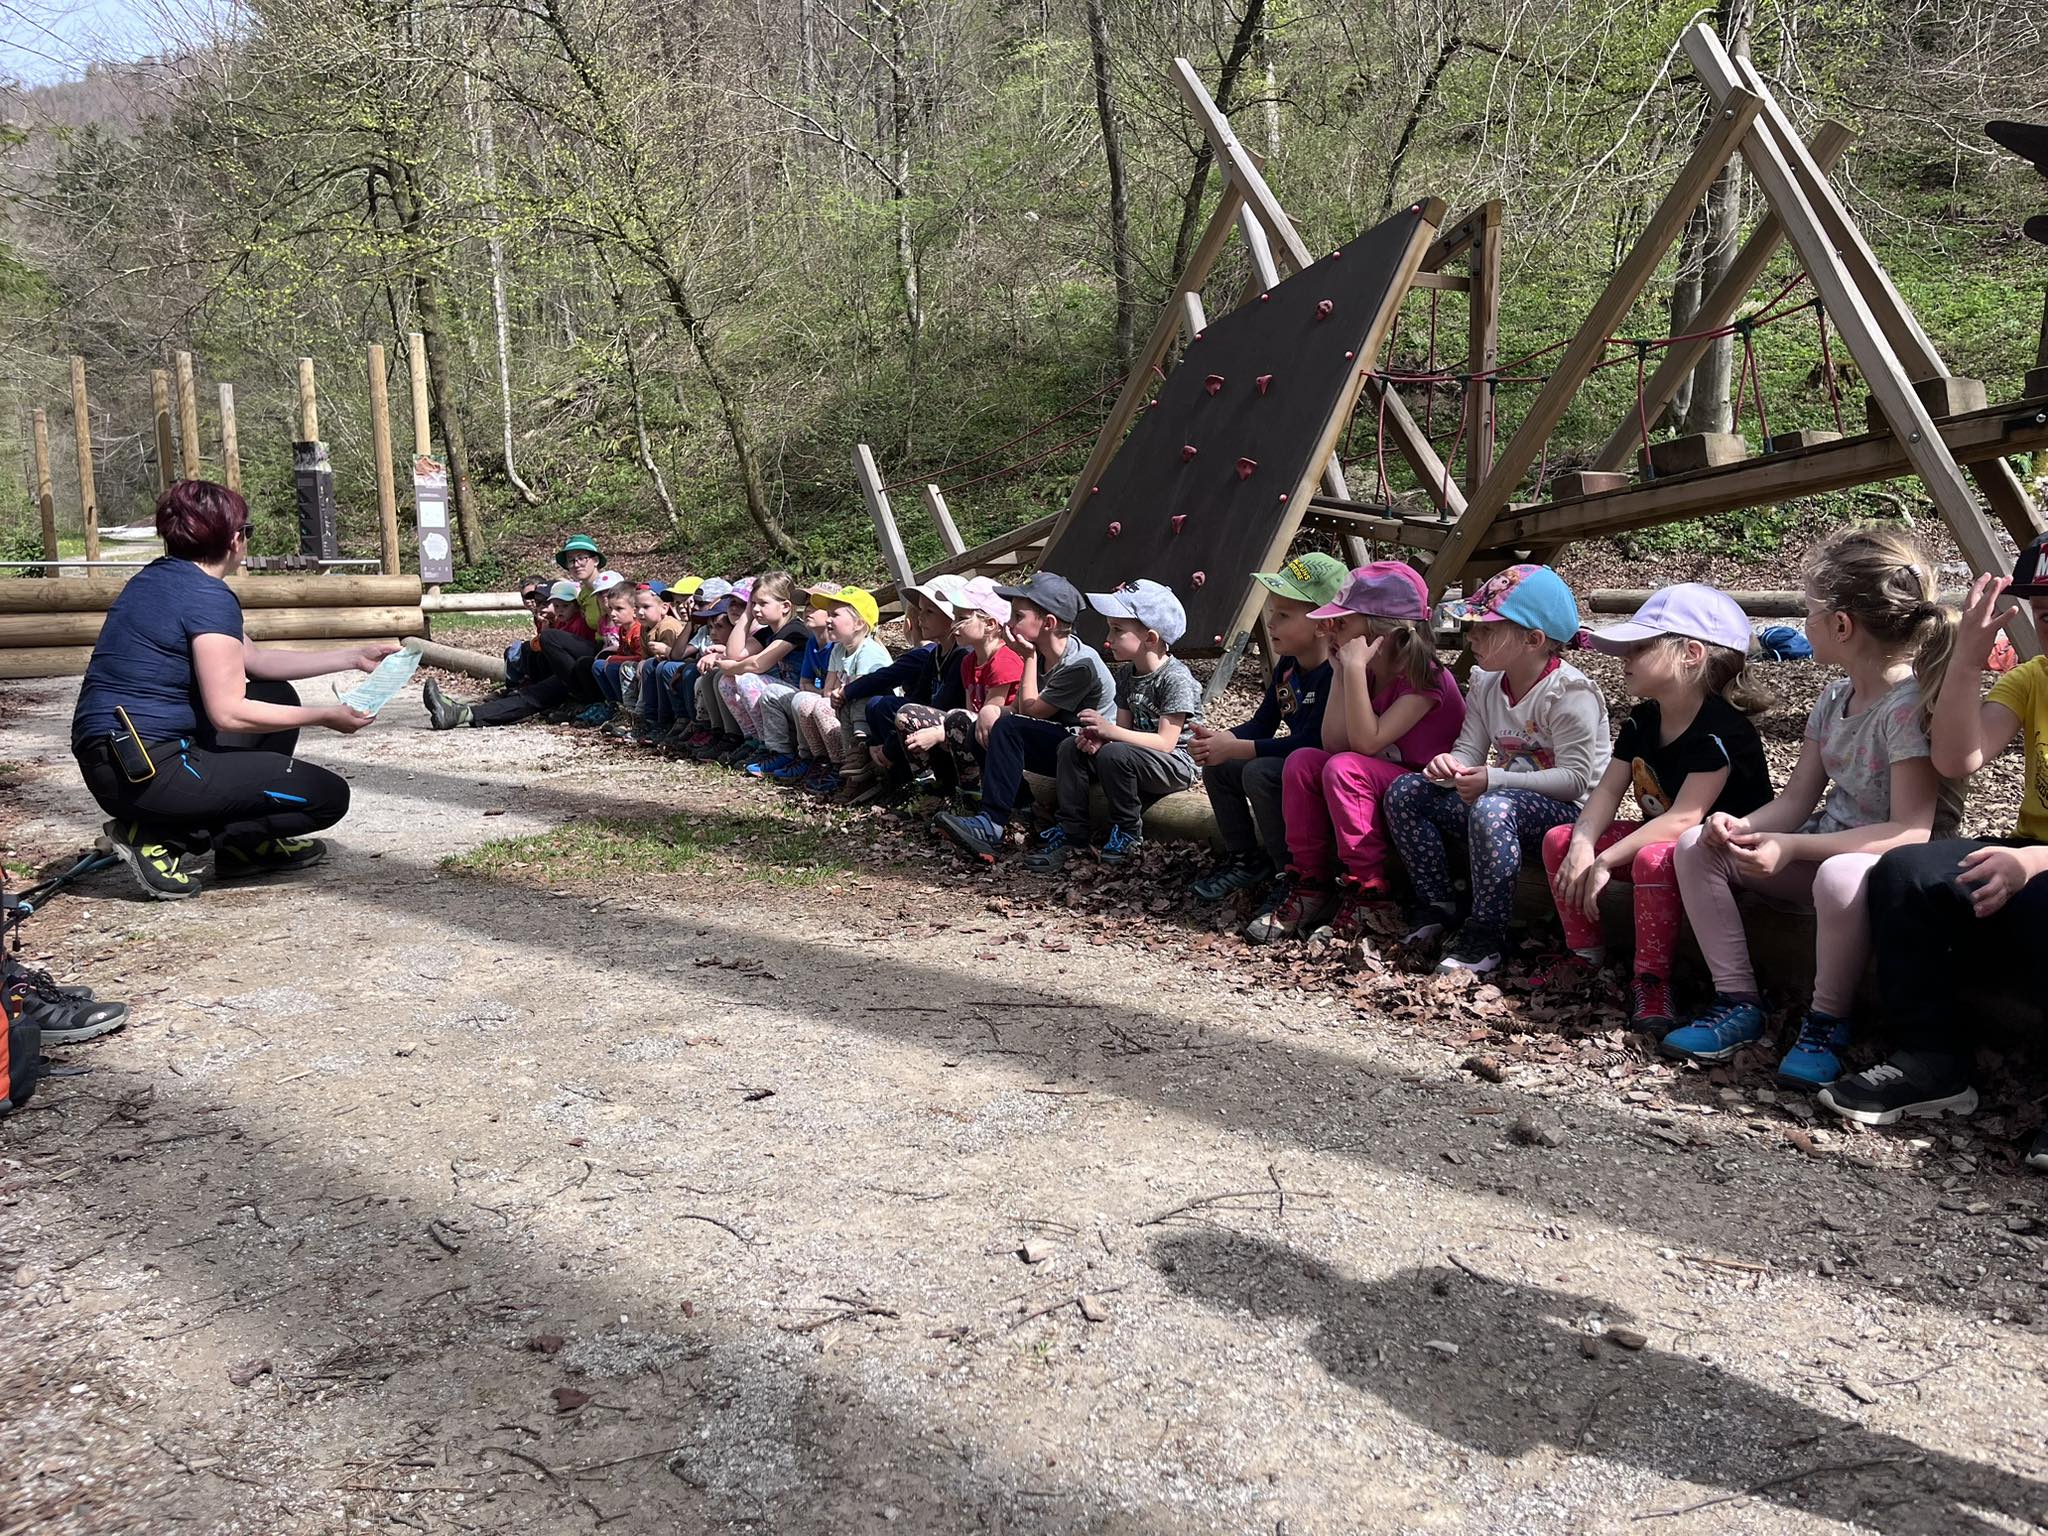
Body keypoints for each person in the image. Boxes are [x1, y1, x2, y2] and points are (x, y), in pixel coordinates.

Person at [1663, 526, 1960, 1087]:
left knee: (1838, 877)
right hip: (1824, 850)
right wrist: (1741, 827)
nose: (1805, 624)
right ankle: (1738, 1001)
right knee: (1696, 845)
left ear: (1841, 625)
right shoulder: (1834, 697)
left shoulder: (1906, 708)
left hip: (1889, 873)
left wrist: (1793, 846)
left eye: (1809, 611)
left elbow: (1909, 832)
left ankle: (1826, 1023)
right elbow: (1798, 799)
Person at [1818, 540, 2048, 1144]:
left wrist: (2031, 861)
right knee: (1907, 871)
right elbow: (1955, 759)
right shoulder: (2033, 678)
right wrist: (1968, 663)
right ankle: (1931, 1061)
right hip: (2030, 852)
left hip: (2037, 860)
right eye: (2043, 610)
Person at [71, 480, 381, 900]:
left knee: (275, 694)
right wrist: (326, 716)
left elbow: (255, 661)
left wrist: (354, 656)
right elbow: (229, 712)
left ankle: (242, 850)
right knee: (327, 797)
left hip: (116, 761)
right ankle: (161, 838)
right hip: (149, 770)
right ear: (235, 539)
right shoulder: (207, 596)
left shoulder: (156, 581)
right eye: (247, 530)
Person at [1539, 584, 1773, 1032]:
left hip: (1717, 857)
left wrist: (1605, 858)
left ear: (1691, 654)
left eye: (1639, 646)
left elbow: (1684, 819)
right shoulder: (1643, 719)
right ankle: (1583, 956)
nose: (1624, 657)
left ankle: (1652, 980)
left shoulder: (1721, 730)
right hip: (1665, 844)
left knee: (1652, 856)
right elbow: (1607, 792)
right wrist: (1584, 844)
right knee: (1560, 840)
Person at [1383, 564, 1611, 975]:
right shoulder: (1487, 683)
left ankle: (1487, 934)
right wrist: (1451, 766)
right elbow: (1470, 749)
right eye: (1473, 626)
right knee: (1406, 791)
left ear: (1533, 640)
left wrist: (1494, 779)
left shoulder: (1569, 694)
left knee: (1493, 808)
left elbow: (1575, 781)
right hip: (1504, 806)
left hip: (1567, 819)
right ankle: (1437, 905)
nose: (1472, 636)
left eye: (1486, 629)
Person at [1260, 561, 1465, 947]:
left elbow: (1367, 744)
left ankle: (1369, 894)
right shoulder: (1362, 670)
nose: (1331, 629)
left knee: (1344, 768)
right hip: (1374, 777)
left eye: (1342, 622)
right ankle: (1310, 884)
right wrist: (1342, 673)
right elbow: (1333, 743)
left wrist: (1352, 669)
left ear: (1379, 631)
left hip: (1421, 789)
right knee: (1303, 761)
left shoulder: (1426, 677)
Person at [1189, 553, 1344, 906]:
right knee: (1221, 767)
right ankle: (1245, 859)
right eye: (1274, 611)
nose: (1271, 623)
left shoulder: (1337, 672)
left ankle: (1290, 874)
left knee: (1260, 772)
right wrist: (1223, 741)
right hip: (1294, 764)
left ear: (1323, 624)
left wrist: (1241, 749)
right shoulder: (1288, 665)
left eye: (1284, 615)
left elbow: (1314, 742)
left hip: (1325, 774)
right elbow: (1264, 723)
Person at [935, 571, 1116, 864]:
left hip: (1085, 751)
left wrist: (1027, 659)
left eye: (1018, 616)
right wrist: (991, 710)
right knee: (981, 729)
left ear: (1048, 623)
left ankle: (991, 825)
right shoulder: (1041, 653)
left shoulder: (1079, 665)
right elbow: (1020, 709)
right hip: (1059, 742)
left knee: (1007, 728)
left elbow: (1031, 711)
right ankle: (1024, 810)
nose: (1009, 623)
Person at [1021, 579, 1201, 870]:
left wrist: (1111, 733)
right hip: (1133, 756)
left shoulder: (1175, 678)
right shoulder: (1127, 675)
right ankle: (1072, 832)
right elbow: (1121, 733)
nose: (1108, 638)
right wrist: (1100, 738)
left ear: (1150, 638)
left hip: (1175, 764)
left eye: (1117, 630)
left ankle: (1128, 831)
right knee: (1071, 747)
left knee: (1115, 753)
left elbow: (1166, 743)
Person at [836, 576, 971, 806]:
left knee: (897, 710)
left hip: (951, 732)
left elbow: (939, 705)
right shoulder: (935, 655)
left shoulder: (962, 656)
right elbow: (917, 698)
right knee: (882, 705)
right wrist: (878, 742)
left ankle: (932, 785)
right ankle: (899, 780)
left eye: (929, 612)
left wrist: (889, 748)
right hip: (929, 725)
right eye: (920, 610)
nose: (920, 618)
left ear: (952, 617)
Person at [894, 578, 1022, 803]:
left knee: (957, 718)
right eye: (954, 617)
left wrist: (941, 732)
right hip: (970, 727)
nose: (954, 625)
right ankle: (929, 790)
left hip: (999, 735)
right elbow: (969, 709)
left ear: (990, 624)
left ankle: (972, 798)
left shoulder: (1005, 660)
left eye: (962, 619)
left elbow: (990, 715)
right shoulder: (968, 661)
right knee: (907, 715)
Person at [424, 580, 588, 730]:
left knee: (536, 691)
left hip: (579, 679)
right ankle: (462, 713)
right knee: (530, 661)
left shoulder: (579, 622)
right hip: (564, 677)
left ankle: (461, 713)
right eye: (556, 605)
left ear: (575, 605)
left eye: (562, 605)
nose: (542, 607)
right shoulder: (558, 622)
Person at [788, 586, 891, 792]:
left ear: (859, 623)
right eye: (828, 614)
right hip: (848, 709)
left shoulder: (868, 651)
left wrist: (839, 694)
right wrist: (837, 695)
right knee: (808, 703)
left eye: (834, 615)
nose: (828, 620)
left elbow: (863, 689)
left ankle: (854, 760)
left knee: (834, 706)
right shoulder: (839, 649)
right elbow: (828, 690)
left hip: (873, 719)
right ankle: (829, 761)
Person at [711, 571, 808, 768]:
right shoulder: (766, 632)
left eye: (763, 603)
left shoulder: (795, 630)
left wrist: (732, 667)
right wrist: (747, 615)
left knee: (747, 679)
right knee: (726, 682)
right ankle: (754, 740)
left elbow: (758, 664)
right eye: (753, 603)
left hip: (799, 697)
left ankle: (773, 747)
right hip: (776, 698)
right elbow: (734, 653)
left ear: (785, 606)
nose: (756, 609)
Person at [752, 584, 842, 780]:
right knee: (773, 692)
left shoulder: (839, 646)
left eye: (815, 605)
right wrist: (817, 692)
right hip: (816, 699)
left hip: (833, 708)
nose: (807, 609)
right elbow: (804, 682)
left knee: (804, 699)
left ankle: (810, 758)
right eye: (807, 604)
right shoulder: (812, 642)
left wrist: (817, 693)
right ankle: (780, 752)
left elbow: (832, 692)